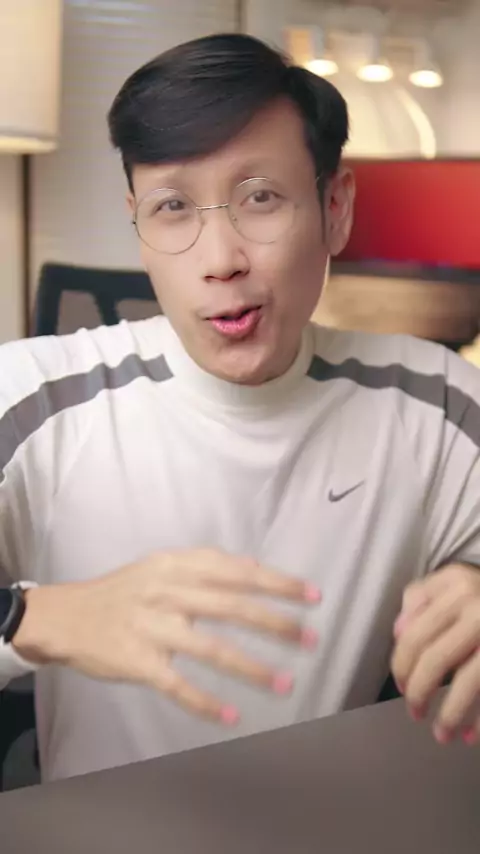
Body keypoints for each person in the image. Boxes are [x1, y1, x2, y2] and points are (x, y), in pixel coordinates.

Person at [1, 33, 479, 784]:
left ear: (334, 208)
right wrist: (29, 618)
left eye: (260, 198)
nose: (220, 259)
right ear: (138, 226)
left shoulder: (435, 405)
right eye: (172, 207)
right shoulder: (35, 396)